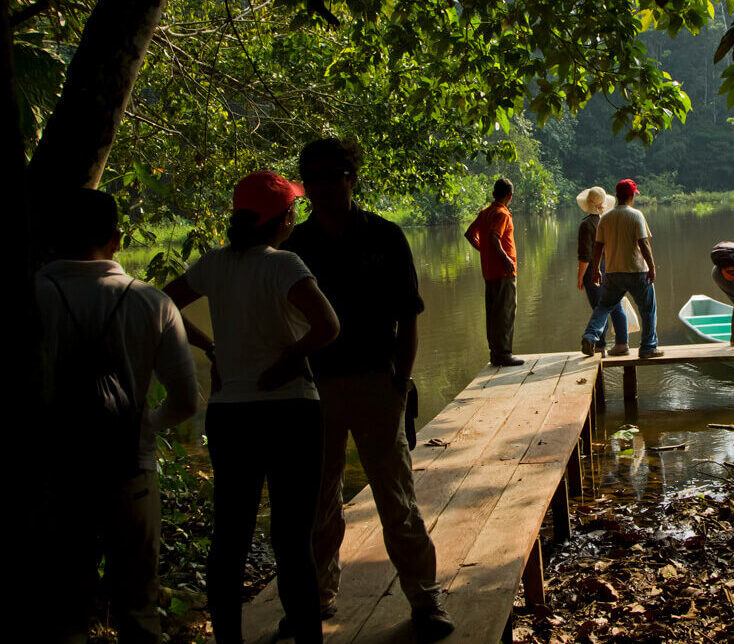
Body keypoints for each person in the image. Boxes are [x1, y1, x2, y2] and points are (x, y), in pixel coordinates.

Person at [284, 138, 456, 641]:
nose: (322, 188)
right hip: (314, 387)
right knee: (318, 500)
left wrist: (401, 380)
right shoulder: (294, 247)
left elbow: (409, 315)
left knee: (396, 497)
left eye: (332, 177)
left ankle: (425, 598)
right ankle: (316, 597)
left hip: (378, 382)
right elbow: (281, 321)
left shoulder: (385, 236)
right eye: (313, 179)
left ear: (352, 177)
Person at [163, 170, 339, 643]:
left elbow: (163, 303)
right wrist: (291, 358)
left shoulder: (214, 264)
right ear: (283, 219)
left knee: (230, 535)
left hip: (231, 414)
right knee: (293, 538)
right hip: (290, 411)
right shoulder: (284, 264)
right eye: (292, 209)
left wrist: (212, 348)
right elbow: (328, 326)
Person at [34, 188, 199, 644]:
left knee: (62, 610)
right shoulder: (151, 302)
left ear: (55, 239)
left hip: (54, 475)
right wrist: (145, 426)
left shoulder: (35, 297)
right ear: (117, 238)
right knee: (138, 609)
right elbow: (187, 401)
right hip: (131, 469)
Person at [580, 179, 663, 358]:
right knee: (648, 309)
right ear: (631, 196)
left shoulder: (605, 218)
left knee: (604, 306)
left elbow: (598, 246)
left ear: (617, 196)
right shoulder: (636, 215)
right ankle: (648, 347)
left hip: (613, 273)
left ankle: (590, 336)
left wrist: (596, 269)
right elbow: (643, 243)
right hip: (637, 271)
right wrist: (652, 267)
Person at [465, 177, 523, 366]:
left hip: (489, 272)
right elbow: (493, 237)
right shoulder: (501, 214)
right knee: (505, 312)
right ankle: (504, 353)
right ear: (510, 196)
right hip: (504, 272)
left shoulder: (485, 213)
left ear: (493, 194)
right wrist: (505, 258)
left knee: (493, 313)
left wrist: (484, 251)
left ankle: (495, 353)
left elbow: (469, 234)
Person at [576, 186, 629, 356]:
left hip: (594, 269)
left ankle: (600, 346)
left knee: (600, 308)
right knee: (615, 305)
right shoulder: (608, 221)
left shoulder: (586, 225)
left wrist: (580, 277)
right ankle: (622, 343)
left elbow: (585, 256)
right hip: (612, 268)